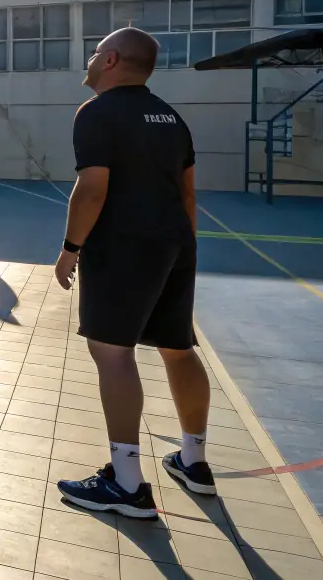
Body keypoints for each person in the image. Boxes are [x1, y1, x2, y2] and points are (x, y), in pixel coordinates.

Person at [55, 28, 211, 519]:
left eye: (95, 51)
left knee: (112, 353)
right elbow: (188, 194)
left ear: (112, 59)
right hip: (174, 242)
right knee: (178, 348)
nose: (90, 58)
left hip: (124, 246)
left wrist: (69, 249)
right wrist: (181, 251)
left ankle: (126, 484)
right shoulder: (172, 117)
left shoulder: (95, 113)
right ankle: (194, 461)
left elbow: (93, 188)